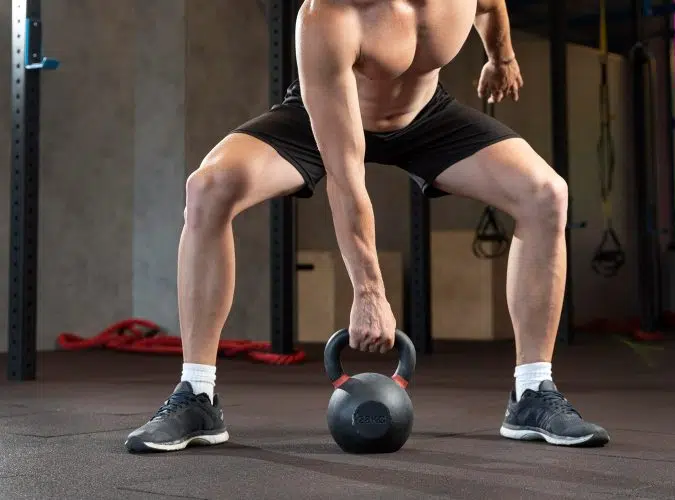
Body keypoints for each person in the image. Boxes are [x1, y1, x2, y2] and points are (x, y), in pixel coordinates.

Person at [125, 0, 610, 453]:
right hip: (322, 120)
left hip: (426, 115)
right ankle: (197, 395)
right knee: (208, 188)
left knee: (546, 194)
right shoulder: (330, 14)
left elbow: (489, 5)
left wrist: (500, 57)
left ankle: (532, 393)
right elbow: (345, 173)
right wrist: (369, 291)